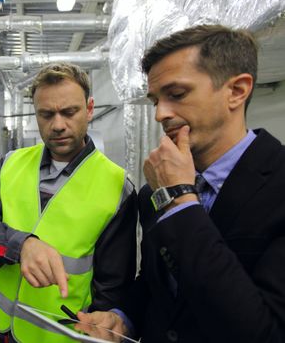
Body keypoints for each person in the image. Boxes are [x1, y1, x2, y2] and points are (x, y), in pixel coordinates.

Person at [75, 24, 285, 342]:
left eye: (176, 94)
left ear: (237, 91)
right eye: (155, 99)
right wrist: (123, 317)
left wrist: (181, 200)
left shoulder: (277, 184)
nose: (160, 114)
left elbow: (263, 332)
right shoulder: (153, 193)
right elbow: (157, 283)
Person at [0, 62, 138, 343]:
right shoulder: (12, 164)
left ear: (90, 108)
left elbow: (112, 292)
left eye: (70, 112)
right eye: (46, 114)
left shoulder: (117, 187)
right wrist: (21, 245)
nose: (58, 125)